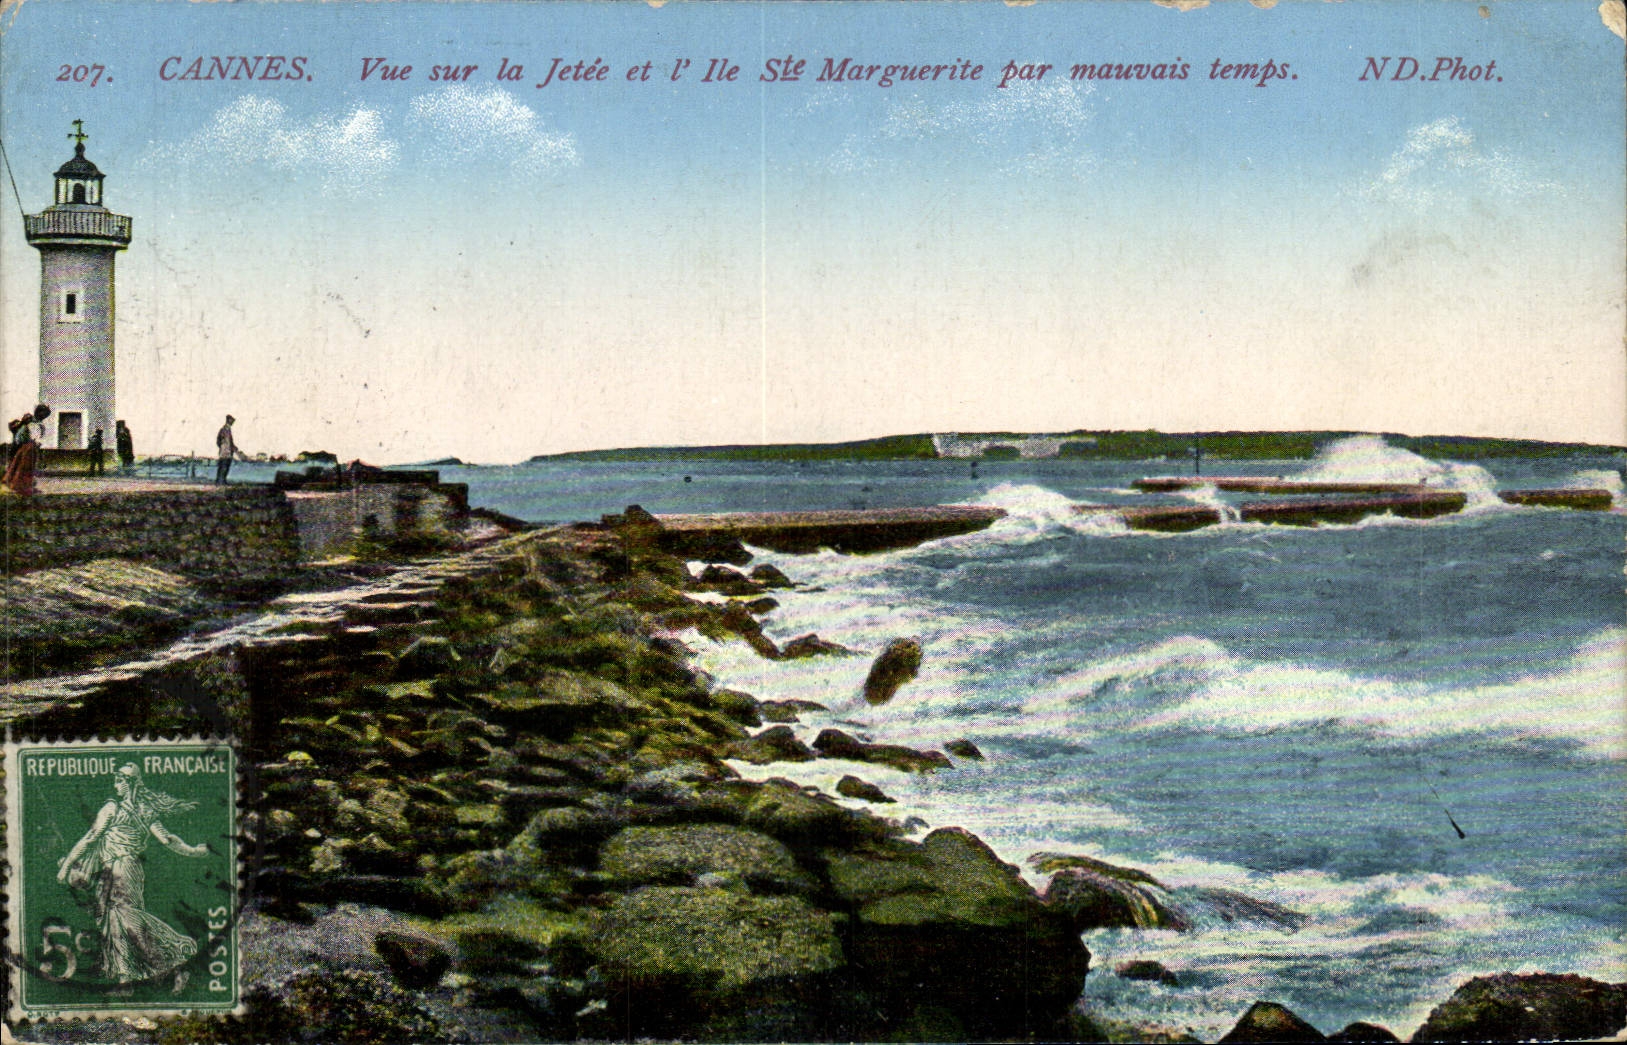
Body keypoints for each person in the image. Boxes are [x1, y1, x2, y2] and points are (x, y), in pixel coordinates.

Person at [56, 764, 208, 987]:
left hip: (120, 868)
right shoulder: (145, 811)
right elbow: (168, 840)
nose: (115, 785)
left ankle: (174, 954)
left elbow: (91, 838)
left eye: (118, 781)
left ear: (129, 783)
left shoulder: (112, 808)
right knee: (116, 921)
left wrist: (66, 865)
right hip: (124, 869)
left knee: (125, 917)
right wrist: (193, 851)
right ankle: (127, 975)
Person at [215, 415, 238, 484]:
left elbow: (230, 441)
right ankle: (221, 480)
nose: (233, 422)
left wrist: (233, 447)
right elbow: (219, 441)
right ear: (228, 420)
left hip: (227, 452)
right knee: (224, 466)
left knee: (225, 466)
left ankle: (221, 480)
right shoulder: (224, 429)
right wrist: (223, 447)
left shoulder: (227, 429)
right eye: (231, 421)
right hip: (225, 452)